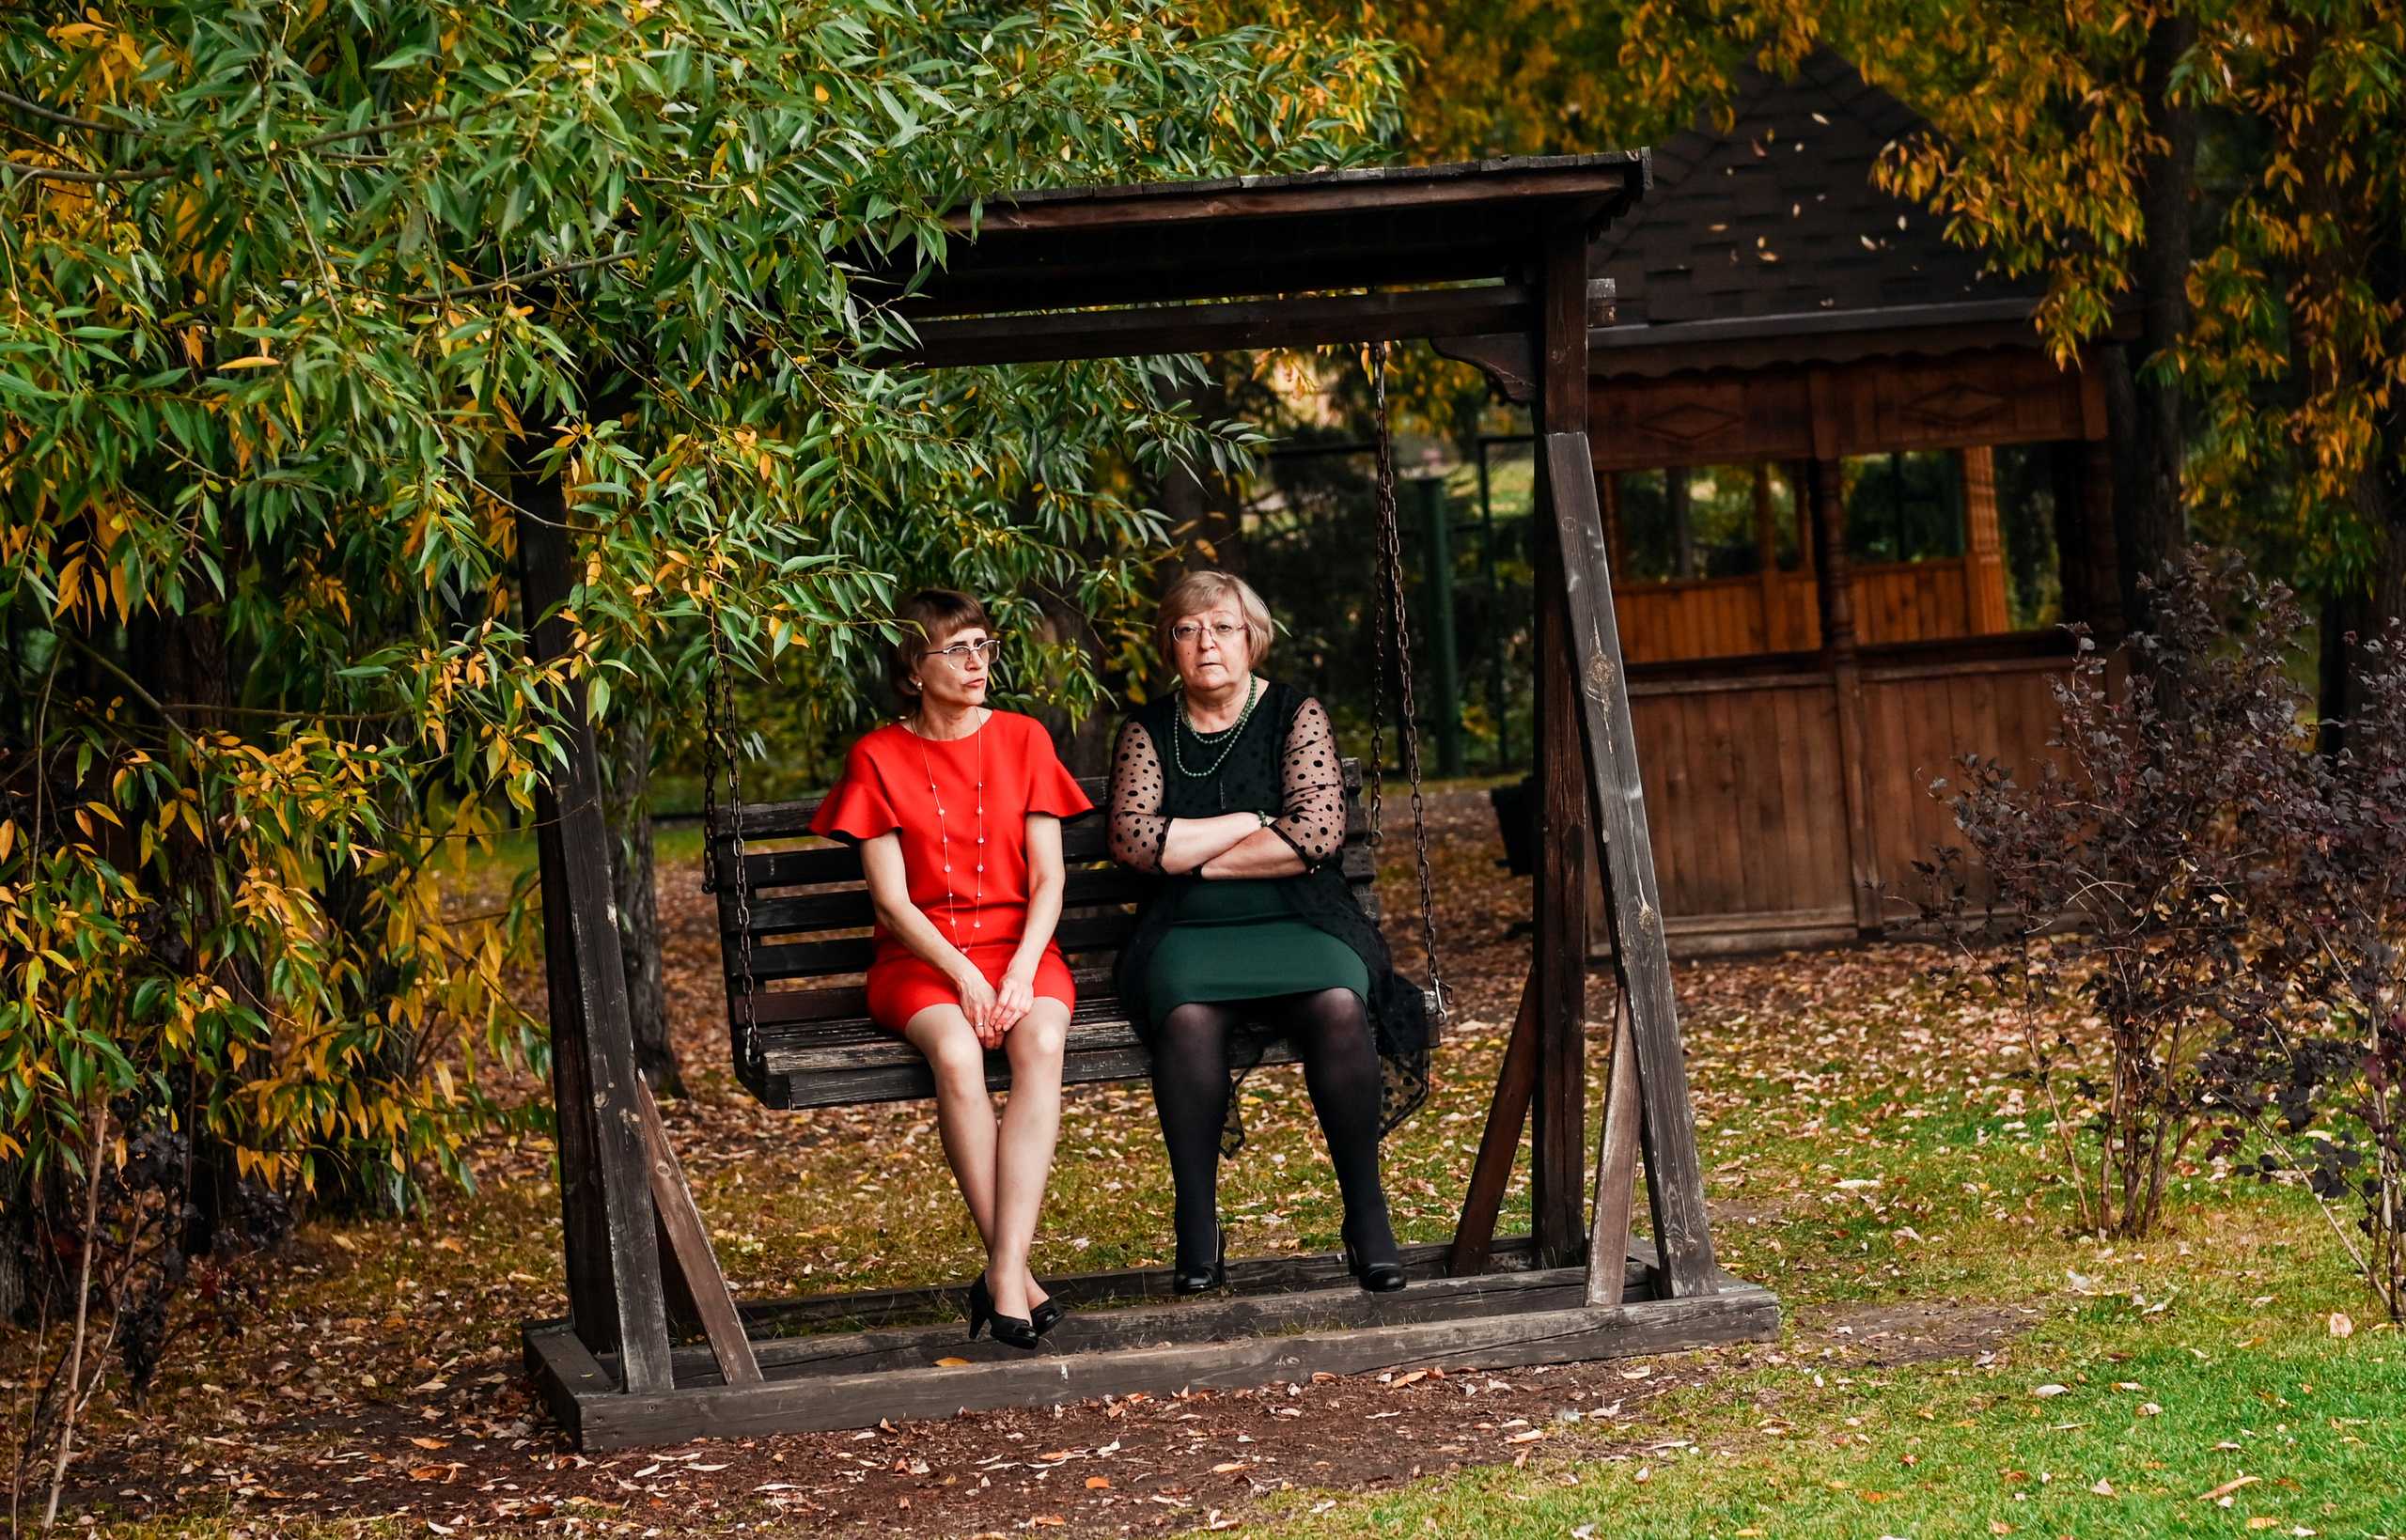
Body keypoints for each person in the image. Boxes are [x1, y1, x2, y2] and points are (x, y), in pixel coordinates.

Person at [1105, 570, 1429, 1296]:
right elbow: (1133, 841)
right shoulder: (1147, 730)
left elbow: (1313, 835)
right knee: (1186, 1017)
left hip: (1301, 916)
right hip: (1187, 930)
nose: (1206, 643)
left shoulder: (1293, 713)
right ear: (1169, 645)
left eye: (1222, 626)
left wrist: (1194, 859)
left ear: (1252, 637)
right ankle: (1197, 1222)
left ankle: (1367, 1214)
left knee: (1339, 1004)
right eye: (1187, 630)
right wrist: (1251, 823)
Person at [810, 590, 1091, 1348]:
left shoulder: (1025, 738)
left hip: (1021, 950)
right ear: (913, 671)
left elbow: (1049, 879)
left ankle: (1003, 1272)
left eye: (984, 645)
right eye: (957, 648)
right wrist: (965, 976)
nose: (977, 662)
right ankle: (1015, 1275)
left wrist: (1019, 972)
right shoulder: (876, 755)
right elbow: (892, 902)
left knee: (1042, 1040)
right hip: (920, 959)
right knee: (959, 1052)